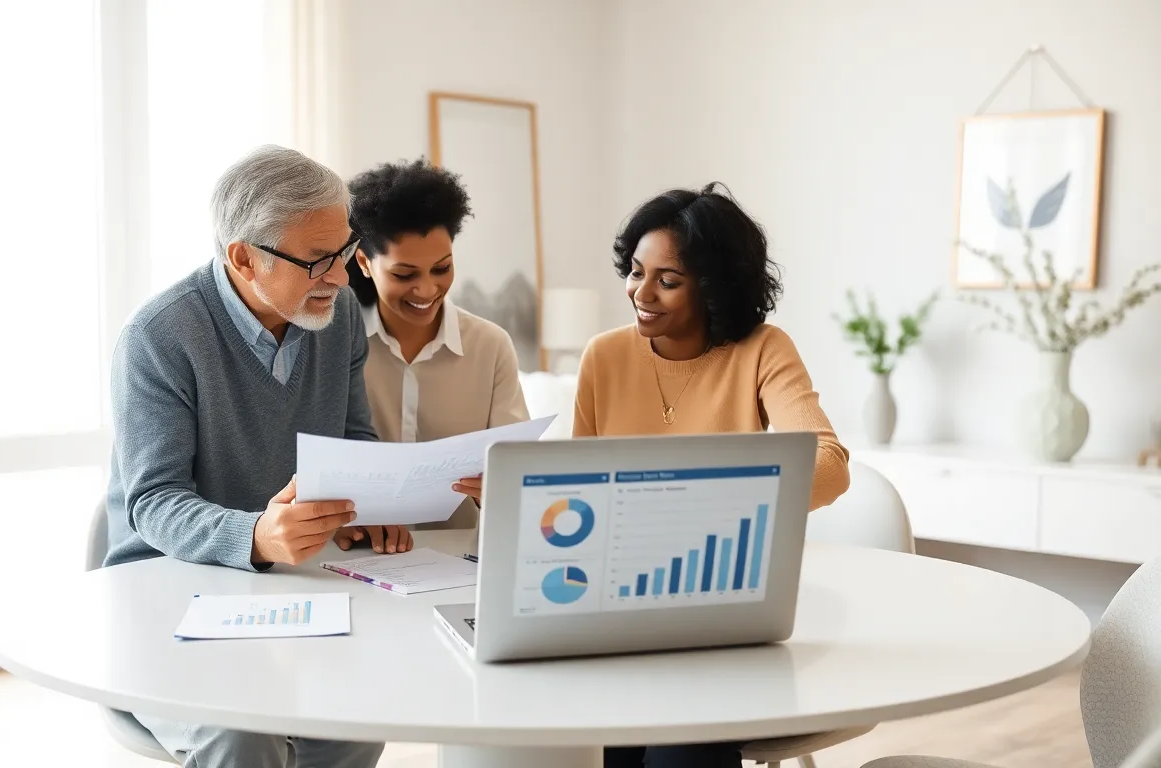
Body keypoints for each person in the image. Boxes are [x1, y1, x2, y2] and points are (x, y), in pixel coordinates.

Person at [104, 144, 411, 768]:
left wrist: (370, 500)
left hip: (294, 592)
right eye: (320, 260)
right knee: (241, 735)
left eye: (347, 250)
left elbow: (353, 437)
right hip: (168, 596)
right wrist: (255, 537)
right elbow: (152, 503)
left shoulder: (339, 314)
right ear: (243, 257)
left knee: (355, 724)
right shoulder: (158, 338)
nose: (341, 276)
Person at [573, 182, 850, 768]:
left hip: (715, 607)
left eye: (667, 280)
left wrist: (708, 509)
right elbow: (582, 489)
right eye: (635, 271)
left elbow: (828, 464)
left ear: (714, 285)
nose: (640, 293)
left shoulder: (761, 349)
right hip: (615, 612)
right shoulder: (603, 356)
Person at [344, 158, 530, 530]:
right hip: (353, 555)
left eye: (442, 269)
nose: (427, 290)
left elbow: (518, 474)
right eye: (404, 273)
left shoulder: (490, 347)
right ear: (363, 262)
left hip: (459, 561)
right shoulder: (335, 346)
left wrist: (503, 486)